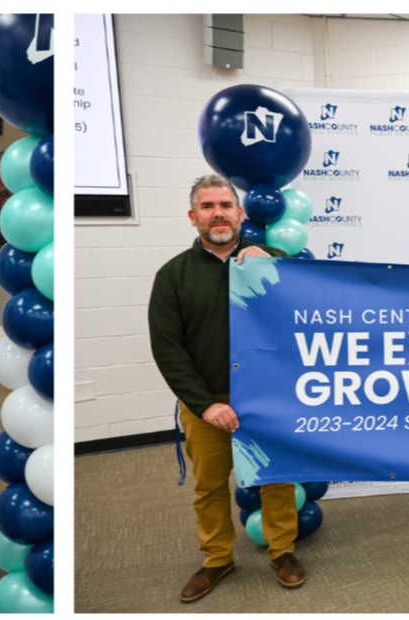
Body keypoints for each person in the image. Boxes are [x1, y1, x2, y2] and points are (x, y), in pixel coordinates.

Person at [148, 174, 297, 602]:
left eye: (225, 205)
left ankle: (282, 551)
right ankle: (217, 558)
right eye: (208, 207)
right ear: (193, 217)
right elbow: (168, 348)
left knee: (275, 478)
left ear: (240, 214)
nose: (218, 214)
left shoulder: (269, 260)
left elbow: (308, 291)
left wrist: (269, 255)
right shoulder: (172, 276)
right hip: (208, 403)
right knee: (209, 485)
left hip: (267, 399)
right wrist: (205, 404)